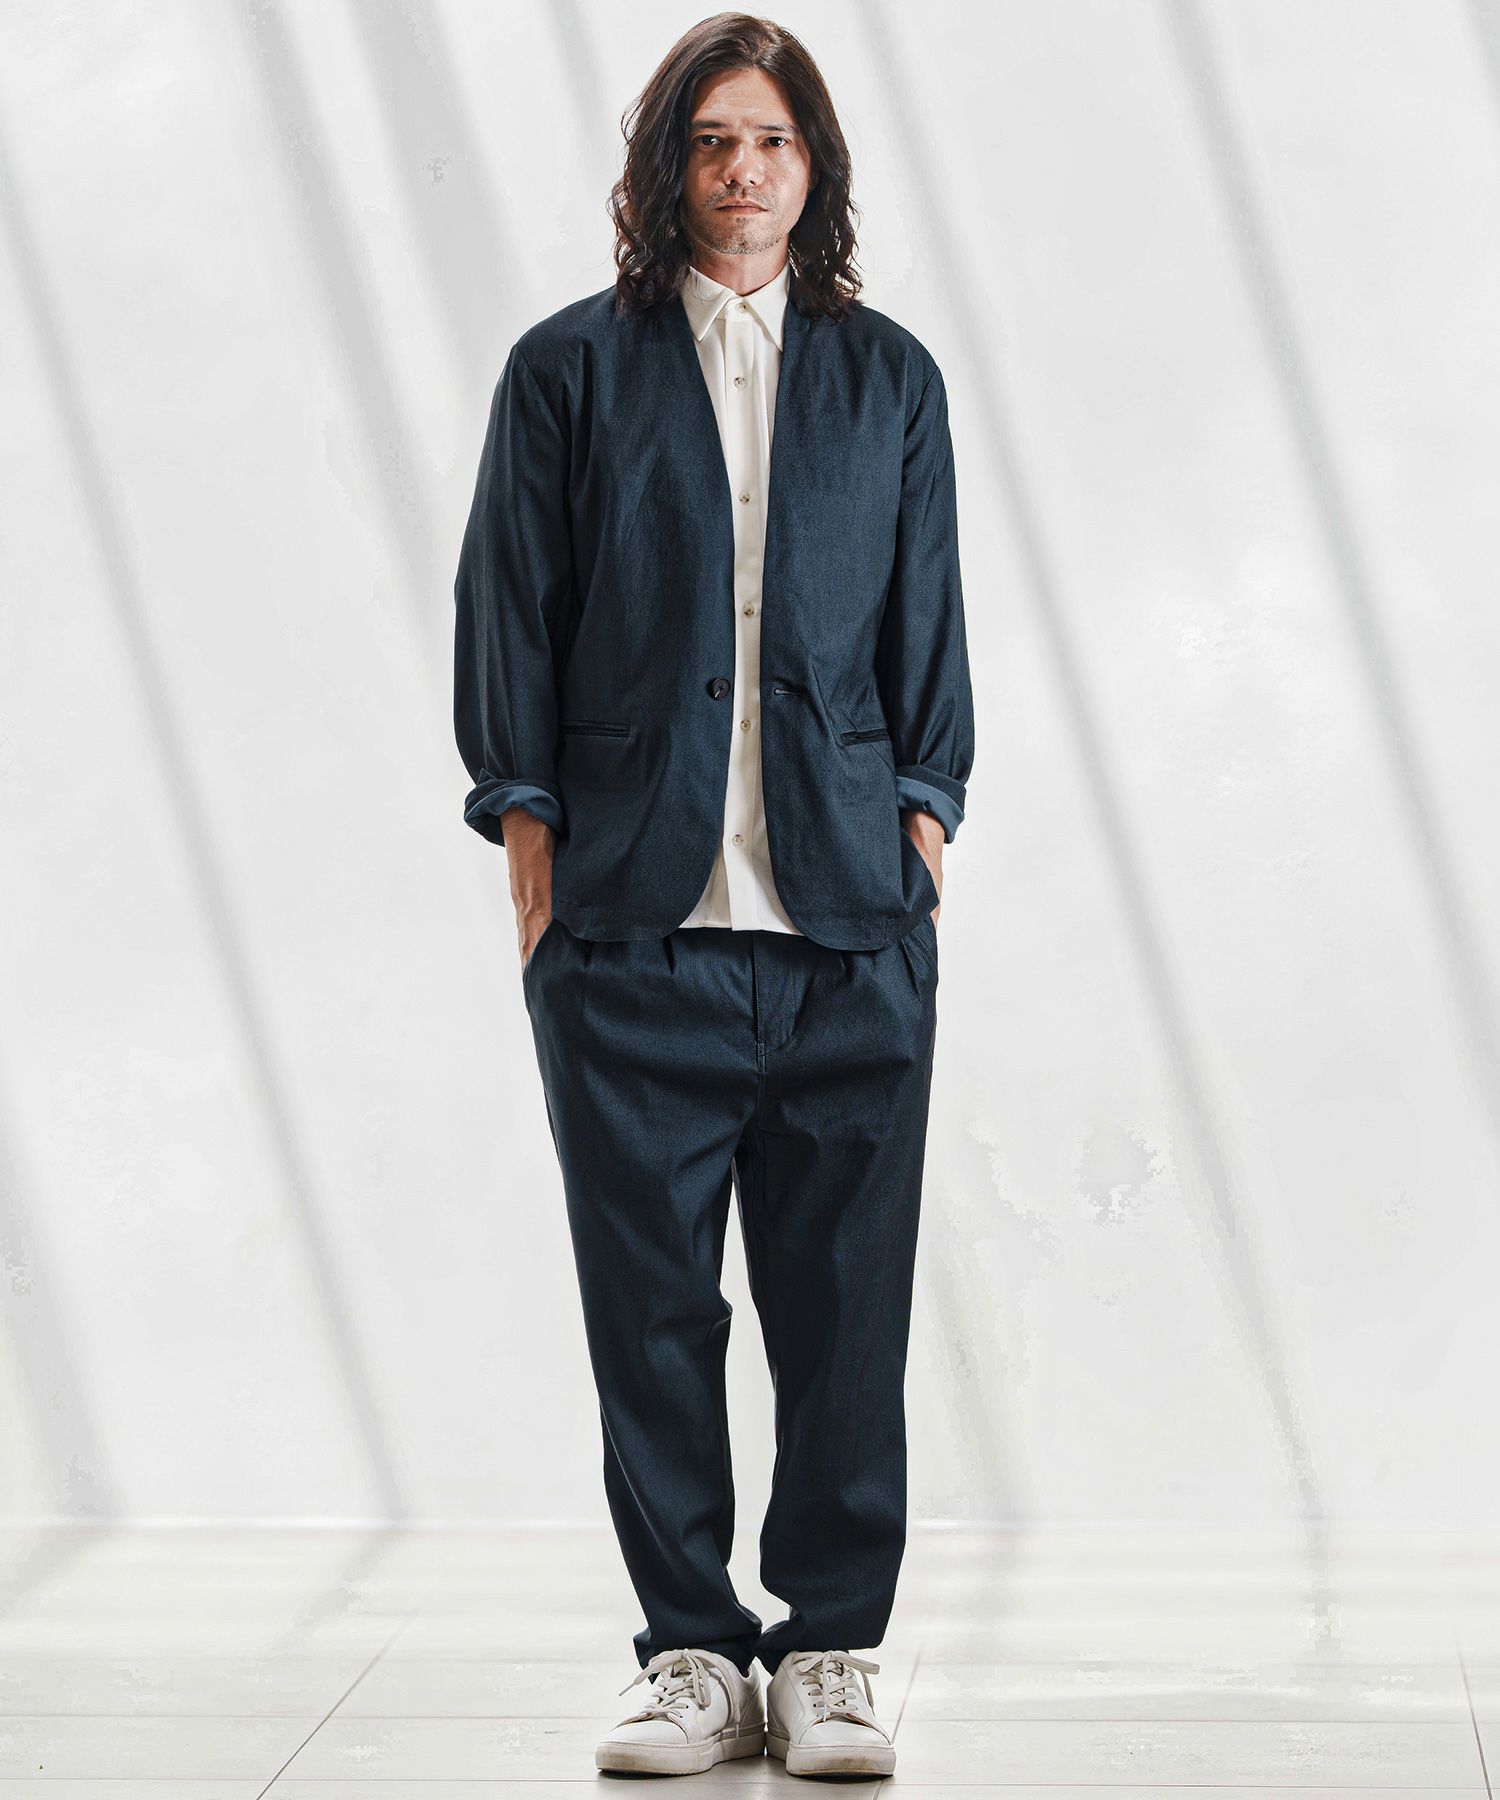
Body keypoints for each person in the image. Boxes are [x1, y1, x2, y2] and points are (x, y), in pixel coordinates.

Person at [453, 12, 974, 1780]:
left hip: (848, 932)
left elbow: (929, 626)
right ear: (663, 165)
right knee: (651, 1313)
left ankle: (828, 1654)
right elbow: (508, 610)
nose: (741, 170)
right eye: (709, 140)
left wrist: (920, 828)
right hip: (630, 931)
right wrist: (532, 844)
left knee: (846, 1311)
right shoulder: (567, 372)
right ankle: (689, 1650)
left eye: (771, 140)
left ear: (814, 167)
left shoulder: (889, 379)